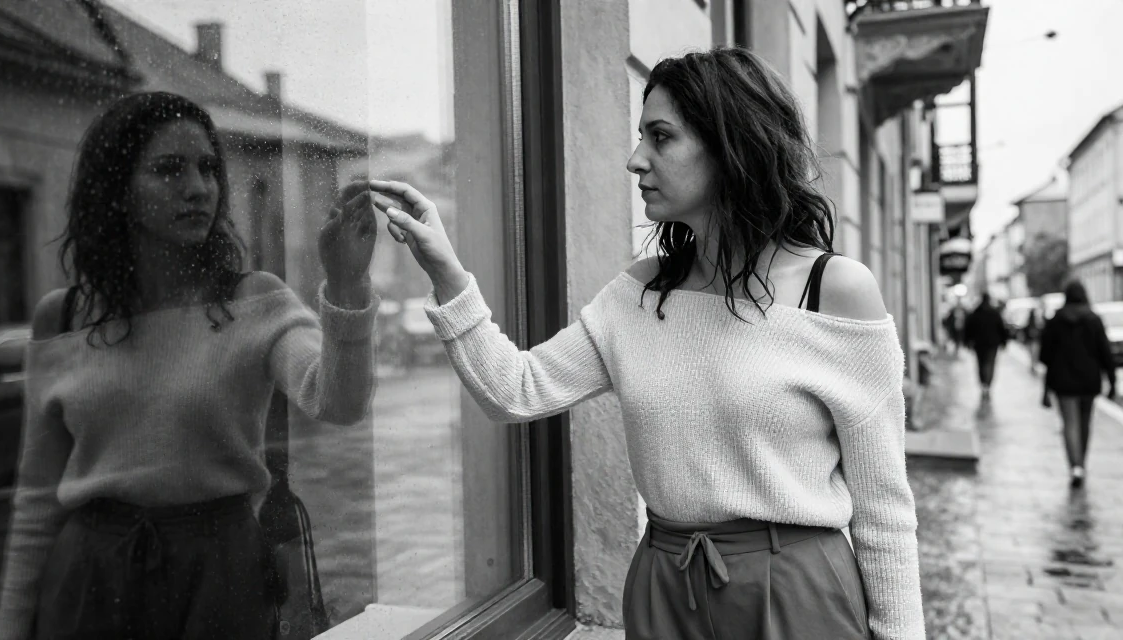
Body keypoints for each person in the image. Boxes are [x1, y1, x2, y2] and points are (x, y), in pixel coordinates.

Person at [371, 46, 923, 640]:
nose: (636, 160)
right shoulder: (641, 290)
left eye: (661, 138)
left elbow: (884, 509)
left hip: (793, 593)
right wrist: (447, 271)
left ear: (733, 145)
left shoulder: (834, 290)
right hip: (665, 588)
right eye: (641, 136)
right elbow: (516, 390)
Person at [0, 92, 379, 640]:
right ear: (119, 189)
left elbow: (337, 401)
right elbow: (36, 496)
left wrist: (345, 283)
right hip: (89, 579)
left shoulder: (253, 300)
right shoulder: (63, 316)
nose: (198, 188)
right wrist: (9, 629)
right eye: (169, 170)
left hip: (218, 577)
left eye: (208, 168)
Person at [1039, 281, 1116, 488]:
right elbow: (1105, 352)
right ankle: (1081, 462)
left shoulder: (1056, 320)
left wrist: (1045, 388)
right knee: (1084, 423)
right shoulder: (1094, 319)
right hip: (1089, 380)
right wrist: (1112, 379)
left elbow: (1046, 355)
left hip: (1063, 381)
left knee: (1070, 425)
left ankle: (1075, 466)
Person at [963, 293, 1009, 398]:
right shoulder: (994, 313)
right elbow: (1002, 328)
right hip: (992, 344)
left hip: (979, 344)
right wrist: (1004, 342)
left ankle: (984, 384)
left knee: (981, 364)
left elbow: (968, 328)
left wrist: (967, 342)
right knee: (990, 364)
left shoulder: (976, 312)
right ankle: (987, 384)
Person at [1023, 308, 1042, 374]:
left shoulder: (1030, 322)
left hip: (1031, 341)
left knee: (1033, 355)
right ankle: (1033, 366)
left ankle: (1033, 366)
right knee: (1034, 355)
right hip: (1033, 341)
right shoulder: (1035, 322)